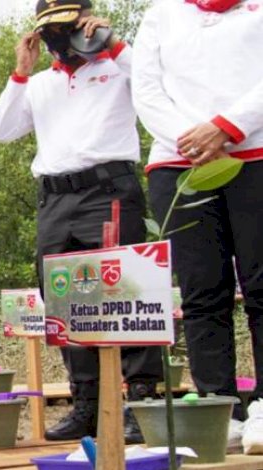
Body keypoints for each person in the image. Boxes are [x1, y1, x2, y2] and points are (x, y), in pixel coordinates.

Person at [0, 0, 163, 444]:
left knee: (126, 291)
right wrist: (21, 70)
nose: (60, 38)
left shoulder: (118, 67)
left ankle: (140, 400)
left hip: (107, 188)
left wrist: (110, 41)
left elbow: (156, 79)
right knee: (64, 298)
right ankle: (87, 403)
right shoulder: (40, 83)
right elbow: (1, 131)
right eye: (50, 30)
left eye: (68, 27)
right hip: (55, 196)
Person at [132, 0, 263, 442]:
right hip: (179, 162)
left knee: (261, 284)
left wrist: (227, 126)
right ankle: (218, 408)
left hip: (256, 154)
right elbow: (146, 90)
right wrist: (195, 140)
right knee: (202, 291)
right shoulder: (161, 13)